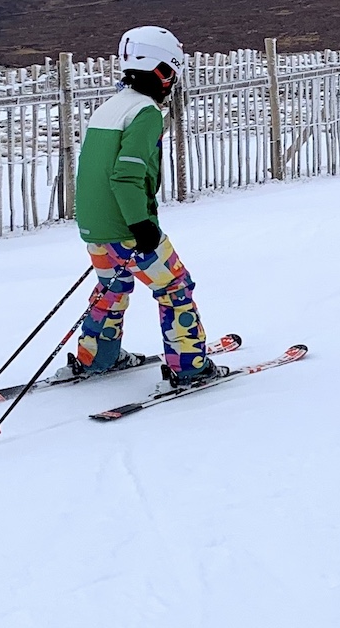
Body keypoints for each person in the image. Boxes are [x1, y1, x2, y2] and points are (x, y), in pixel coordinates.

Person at [67, 25, 227, 387]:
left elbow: (94, 169)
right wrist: (141, 224)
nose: (171, 85)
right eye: (171, 75)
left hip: (95, 226)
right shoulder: (146, 112)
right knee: (175, 287)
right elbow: (125, 176)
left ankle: (98, 356)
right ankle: (189, 366)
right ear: (161, 70)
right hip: (128, 226)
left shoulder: (109, 108)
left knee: (112, 288)